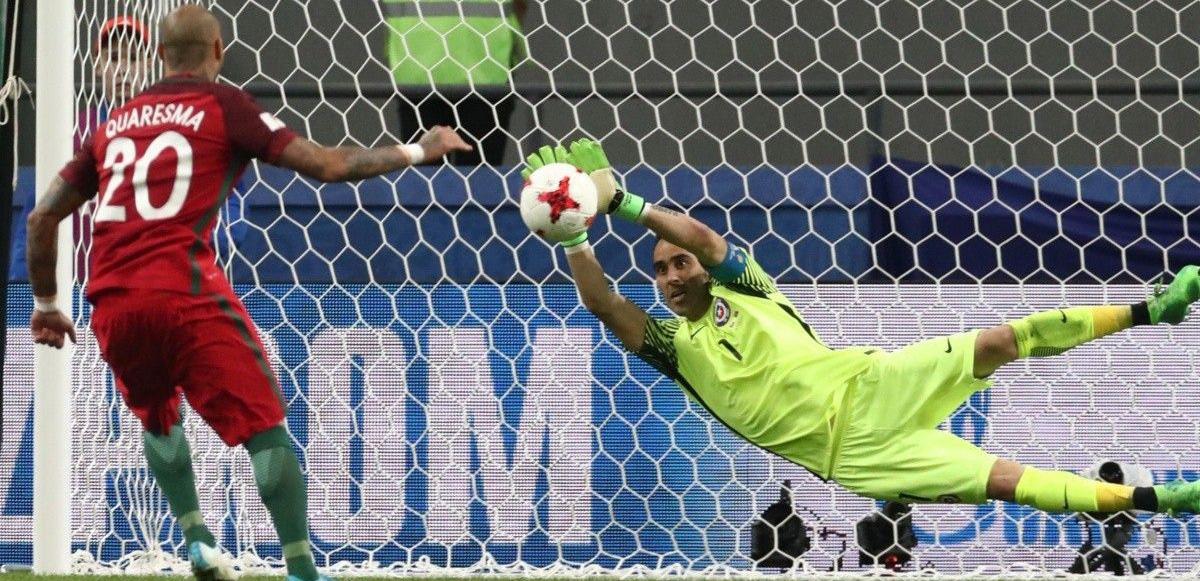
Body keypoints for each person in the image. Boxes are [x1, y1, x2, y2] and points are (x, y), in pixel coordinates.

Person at [522, 139, 1200, 520]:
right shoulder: (675, 349)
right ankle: (1160, 499)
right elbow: (605, 304)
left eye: (679, 264)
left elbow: (701, 234)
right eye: (661, 271)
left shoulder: (747, 287)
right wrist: (575, 235)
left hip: (873, 383)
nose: (671, 276)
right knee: (1007, 480)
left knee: (998, 341)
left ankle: (1152, 309)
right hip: (855, 456)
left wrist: (624, 201)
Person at [26, 5, 471, 581]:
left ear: (159, 55)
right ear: (218, 50)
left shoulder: (115, 123)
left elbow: (41, 217)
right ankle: (301, 568)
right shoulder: (224, 105)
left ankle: (196, 539)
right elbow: (329, 166)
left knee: (156, 415)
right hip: (184, 292)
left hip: (112, 300)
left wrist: (45, 305)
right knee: (265, 428)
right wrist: (419, 149)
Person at [384, 0, 527, 165]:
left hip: (417, 66)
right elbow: (520, 5)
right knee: (479, 173)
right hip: (485, 67)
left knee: (424, 172)